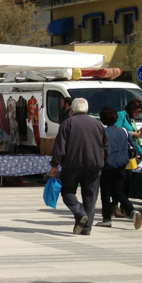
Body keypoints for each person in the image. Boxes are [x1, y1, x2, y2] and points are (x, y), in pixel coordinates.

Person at [49, 98, 108, 235]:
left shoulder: (67, 123)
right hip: (94, 165)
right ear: (86, 110)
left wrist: (54, 164)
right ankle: (86, 228)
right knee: (90, 196)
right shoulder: (98, 124)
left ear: (73, 110)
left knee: (67, 192)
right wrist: (103, 161)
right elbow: (106, 145)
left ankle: (79, 212)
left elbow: (60, 147)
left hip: (72, 165)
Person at [97, 107, 142, 229]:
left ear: (103, 120)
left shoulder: (102, 132)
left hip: (106, 166)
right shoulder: (124, 131)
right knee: (118, 192)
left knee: (105, 193)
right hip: (122, 166)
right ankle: (133, 211)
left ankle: (106, 218)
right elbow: (134, 146)